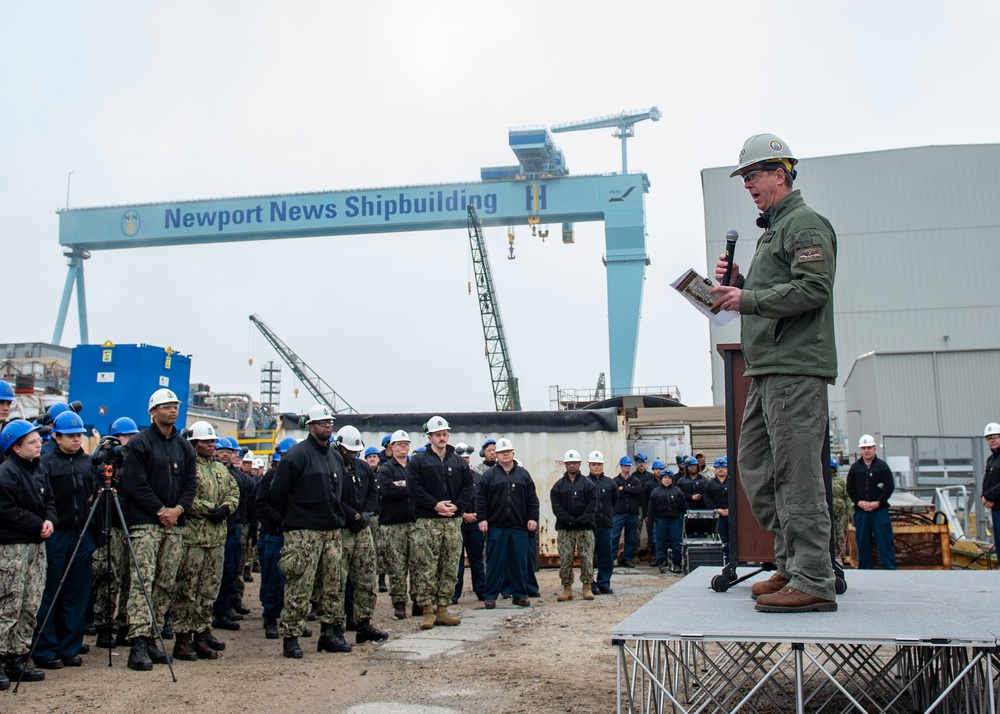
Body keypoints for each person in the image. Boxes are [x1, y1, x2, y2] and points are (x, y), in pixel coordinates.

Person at [710, 133, 838, 613]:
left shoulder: (804, 225)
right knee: (759, 470)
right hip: (768, 370)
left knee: (796, 474)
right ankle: (793, 562)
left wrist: (747, 298)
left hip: (795, 369)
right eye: (744, 177)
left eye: (752, 175)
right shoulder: (775, 231)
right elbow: (779, 291)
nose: (747, 185)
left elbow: (813, 290)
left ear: (779, 174)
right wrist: (737, 285)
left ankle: (813, 578)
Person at [118, 387, 197, 670]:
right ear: (153, 412)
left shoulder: (185, 447)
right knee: (143, 581)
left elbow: (191, 484)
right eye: (165, 406)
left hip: (174, 525)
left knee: (165, 583)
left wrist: (178, 509)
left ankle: (152, 637)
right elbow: (134, 482)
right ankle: (138, 642)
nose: (172, 410)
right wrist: (159, 509)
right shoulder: (140, 443)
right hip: (146, 524)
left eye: (175, 405)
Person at [270, 404, 350, 658]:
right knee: (299, 585)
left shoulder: (335, 456)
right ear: (310, 426)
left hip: (331, 532)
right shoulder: (296, 456)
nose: (328, 426)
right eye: (322, 422)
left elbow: (340, 493)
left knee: (332, 585)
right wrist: (295, 518)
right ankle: (291, 637)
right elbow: (277, 493)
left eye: (330, 422)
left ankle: (330, 633)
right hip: (304, 532)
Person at [33, 411, 96, 670]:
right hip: (55, 535)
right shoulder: (45, 463)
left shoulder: (88, 463)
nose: (75, 440)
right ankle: (45, 649)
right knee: (50, 591)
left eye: (78, 435)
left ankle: (69, 647)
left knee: (77, 592)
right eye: (69, 436)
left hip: (81, 534)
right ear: (56, 436)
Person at [171, 422, 239, 661]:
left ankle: (201, 634)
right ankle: (182, 638)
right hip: (193, 540)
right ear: (193, 444)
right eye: (206, 442)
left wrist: (227, 508)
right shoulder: (188, 468)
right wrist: (210, 509)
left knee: (209, 589)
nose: (212, 446)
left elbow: (234, 492)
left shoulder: (220, 470)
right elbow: (186, 497)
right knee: (186, 590)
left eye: (213, 442)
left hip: (216, 540)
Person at [0, 420, 56, 686]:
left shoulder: (39, 470)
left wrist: (50, 520)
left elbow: (50, 502)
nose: (39, 445)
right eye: (32, 442)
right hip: (13, 548)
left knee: (30, 604)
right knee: (9, 604)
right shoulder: (6, 473)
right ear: (16, 448)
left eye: (38, 440)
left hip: (36, 546)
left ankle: (17, 656)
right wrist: (38, 524)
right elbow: (6, 510)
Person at [407, 415, 474, 630]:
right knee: (426, 566)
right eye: (438, 435)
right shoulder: (418, 461)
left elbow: (468, 486)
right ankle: (427, 610)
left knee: (449, 566)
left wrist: (458, 507)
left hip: (452, 523)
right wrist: (434, 505)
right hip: (427, 522)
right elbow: (413, 487)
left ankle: (443, 609)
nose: (442, 438)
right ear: (430, 437)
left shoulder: (457, 461)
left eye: (445, 434)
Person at [333, 425, 387, 645]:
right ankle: (335, 626)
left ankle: (363, 623)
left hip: (362, 530)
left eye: (355, 452)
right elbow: (332, 497)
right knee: (336, 581)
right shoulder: (332, 467)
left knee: (366, 577)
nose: (351, 455)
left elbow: (373, 493)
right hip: (340, 529)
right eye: (348, 451)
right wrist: (353, 515)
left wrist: (364, 514)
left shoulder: (363, 468)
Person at [92, 416, 139, 649]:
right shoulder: (104, 468)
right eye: (125, 437)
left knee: (131, 579)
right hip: (112, 526)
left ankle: (124, 625)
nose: (128, 442)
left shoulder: (135, 464)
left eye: (132, 436)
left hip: (131, 525)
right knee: (110, 577)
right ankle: (103, 626)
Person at [477, 438, 539, 609]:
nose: (505, 454)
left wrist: (533, 518)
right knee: (495, 562)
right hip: (496, 526)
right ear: (496, 455)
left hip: (519, 526)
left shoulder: (523, 475)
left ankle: (520, 595)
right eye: (501, 452)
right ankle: (490, 596)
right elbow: (481, 499)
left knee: (520, 561)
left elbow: (532, 499)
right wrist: (482, 519)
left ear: (513, 453)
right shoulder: (489, 476)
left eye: (508, 451)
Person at [254, 437, 297, 639]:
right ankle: (270, 618)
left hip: (294, 536)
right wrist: (279, 522)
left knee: (295, 581)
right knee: (273, 579)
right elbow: (261, 504)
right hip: (275, 536)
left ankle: (293, 619)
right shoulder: (269, 478)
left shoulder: (299, 479)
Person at [378, 430, 416, 620]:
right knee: (397, 567)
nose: (403, 446)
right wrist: (411, 488)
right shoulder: (386, 469)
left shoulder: (414, 467)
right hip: (393, 526)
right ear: (391, 447)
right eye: (399, 444)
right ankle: (399, 604)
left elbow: (421, 489)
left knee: (418, 564)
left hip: (414, 523)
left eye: (406, 443)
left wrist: (403, 486)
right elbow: (388, 490)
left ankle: (419, 601)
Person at [550, 449, 596, 601]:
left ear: (579, 464)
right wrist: (570, 520)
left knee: (587, 557)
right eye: (569, 463)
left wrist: (581, 520)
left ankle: (587, 587)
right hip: (565, 529)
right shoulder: (558, 486)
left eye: (574, 463)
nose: (572, 466)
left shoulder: (588, 484)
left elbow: (592, 505)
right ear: (565, 464)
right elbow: (556, 507)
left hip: (585, 528)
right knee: (565, 558)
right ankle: (567, 588)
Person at [846, 435, 896, 570]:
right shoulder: (855, 468)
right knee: (863, 543)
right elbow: (850, 488)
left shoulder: (882, 467)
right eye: (863, 448)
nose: (866, 451)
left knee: (884, 541)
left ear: (874, 449)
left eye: (869, 448)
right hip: (862, 512)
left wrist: (878, 502)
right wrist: (859, 502)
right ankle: (866, 571)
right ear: (860, 450)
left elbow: (889, 486)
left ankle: (889, 571)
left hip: (879, 511)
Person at [453, 443, 485, 604]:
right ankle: (454, 594)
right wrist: (463, 514)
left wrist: (476, 515)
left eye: (467, 458)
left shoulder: (477, 478)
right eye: (462, 458)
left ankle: (481, 591)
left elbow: (483, 499)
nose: (465, 460)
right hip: (458, 522)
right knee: (456, 561)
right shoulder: (451, 478)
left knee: (477, 559)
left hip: (475, 523)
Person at [587, 451, 618, 594]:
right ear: (589, 465)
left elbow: (614, 501)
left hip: (606, 525)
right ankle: (590, 583)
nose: (596, 467)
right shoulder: (585, 482)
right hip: (589, 526)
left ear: (602, 465)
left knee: (606, 555)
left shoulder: (610, 483)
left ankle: (604, 583)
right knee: (589, 556)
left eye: (599, 464)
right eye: (593, 464)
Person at [646, 469, 686, 573]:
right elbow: (651, 509)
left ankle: (677, 563)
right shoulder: (655, 492)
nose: (667, 480)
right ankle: (661, 563)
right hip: (660, 521)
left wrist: (685, 519)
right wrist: (650, 522)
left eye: (669, 478)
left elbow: (684, 507)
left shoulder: (677, 491)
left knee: (676, 542)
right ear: (661, 480)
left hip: (675, 521)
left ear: (672, 480)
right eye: (665, 478)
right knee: (660, 542)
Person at [611, 456, 642, 567]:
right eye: (625, 466)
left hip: (632, 513)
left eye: (628, 466)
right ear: (621, 466)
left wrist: (623, 489)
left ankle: (627, 558)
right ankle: (613, 557)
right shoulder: (615, 481)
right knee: (615, 536)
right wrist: (629, 490)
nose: (627, 468)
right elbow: (615, 494)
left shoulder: (635, 480)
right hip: (619, 513)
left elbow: (637, 491)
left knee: (630, 537)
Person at [704, 457, 730, 554]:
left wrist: (731, 509)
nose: (720, 469)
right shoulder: (710, 484)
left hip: (731, 515)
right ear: (715, 469)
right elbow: (707, 500)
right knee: (722, 539)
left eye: (723, 467)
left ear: (727, 468)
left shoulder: (732, 482)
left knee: (734, 538)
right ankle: (724, 557)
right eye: (718, 467)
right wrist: (716, 509)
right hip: (718, 516)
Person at [981, 423, 1000, 548]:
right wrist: (984, 496)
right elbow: (986, 480)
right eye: (988, 438)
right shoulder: (991, 460)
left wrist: (988, 496)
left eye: (995, 436)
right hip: (996, 508)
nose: (991, 440)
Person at [830, 457, 851, 561]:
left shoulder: (840, 482)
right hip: (829, 512)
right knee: (831, 535)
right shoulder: (823, 481)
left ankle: (842, 555)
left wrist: (849, 512)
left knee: (840, 534)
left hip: (841, 513)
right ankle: (833, 555)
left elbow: (846, 496)